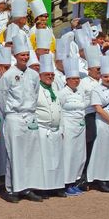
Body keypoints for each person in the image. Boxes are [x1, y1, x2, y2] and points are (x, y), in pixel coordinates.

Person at [0, 34, 43, 202]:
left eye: (26, 55)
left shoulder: (34, 75)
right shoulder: (8, 75)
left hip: (30, 116)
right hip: (14, 117)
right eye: (21, 55)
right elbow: (1, 99)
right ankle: (11, 189)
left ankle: (27, 187)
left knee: (30, 154)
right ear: (15, 56)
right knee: (14, 154)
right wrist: (11, 114)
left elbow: (36, 93)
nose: (24, 57)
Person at [86, 57, 109, 192]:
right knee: (102, 151)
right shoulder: (96, 90)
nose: (108, 79)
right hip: (103, 123)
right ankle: (100, 179)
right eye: (106, 76)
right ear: (101, 77)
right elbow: (98, 108)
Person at [34, 54, 64, 197]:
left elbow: (60, 109)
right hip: (42, 129)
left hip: (55, 130)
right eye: (47, 74)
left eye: (52, 74)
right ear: (40, 75)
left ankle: (56, 186)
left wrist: (61, 127)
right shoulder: (36, 89)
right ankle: (42, 188)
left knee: (56, 160)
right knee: (43, 161)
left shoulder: (55, 89)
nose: (50, 77)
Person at [58, 56, 87, 196]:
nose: (76, 81)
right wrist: (62, 129)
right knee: (68, 155)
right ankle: (65, 183)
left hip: (80, 127)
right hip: (68, 127)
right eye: (73, 78)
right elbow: (59, 110)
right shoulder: (62, 93)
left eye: (78, 78)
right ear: (67, 80)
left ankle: (74, 181)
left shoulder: (80, 92)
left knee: (79, 155)